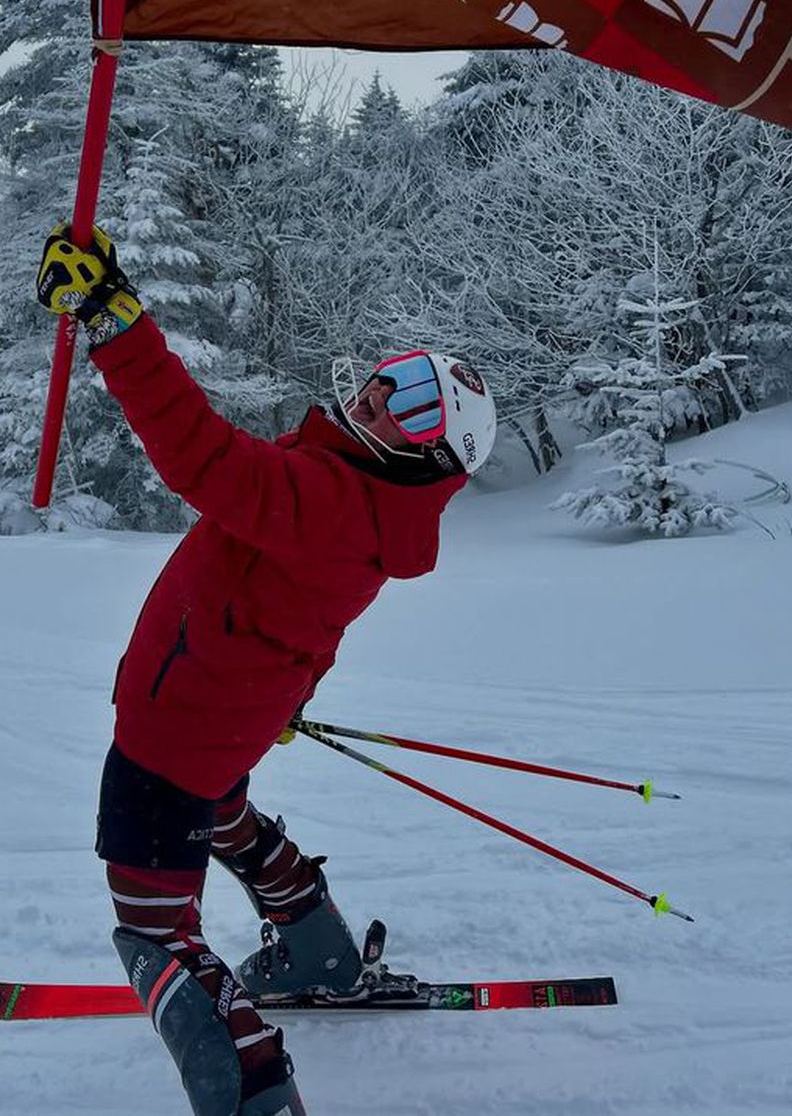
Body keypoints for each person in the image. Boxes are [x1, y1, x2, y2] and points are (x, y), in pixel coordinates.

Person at [37, 221, 497, 1116]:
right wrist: (283, 698)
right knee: (226, 811)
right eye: (393, 375)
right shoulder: (367, 508)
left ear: (431, 457)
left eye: (411, 405)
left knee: (156, 932)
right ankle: (319, 949)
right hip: (222, 708)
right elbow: (313, 632)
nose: (377, 398)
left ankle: (252, 1090)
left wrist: (112, 316)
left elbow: (200, 456)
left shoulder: (333, 498)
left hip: (176, 727)